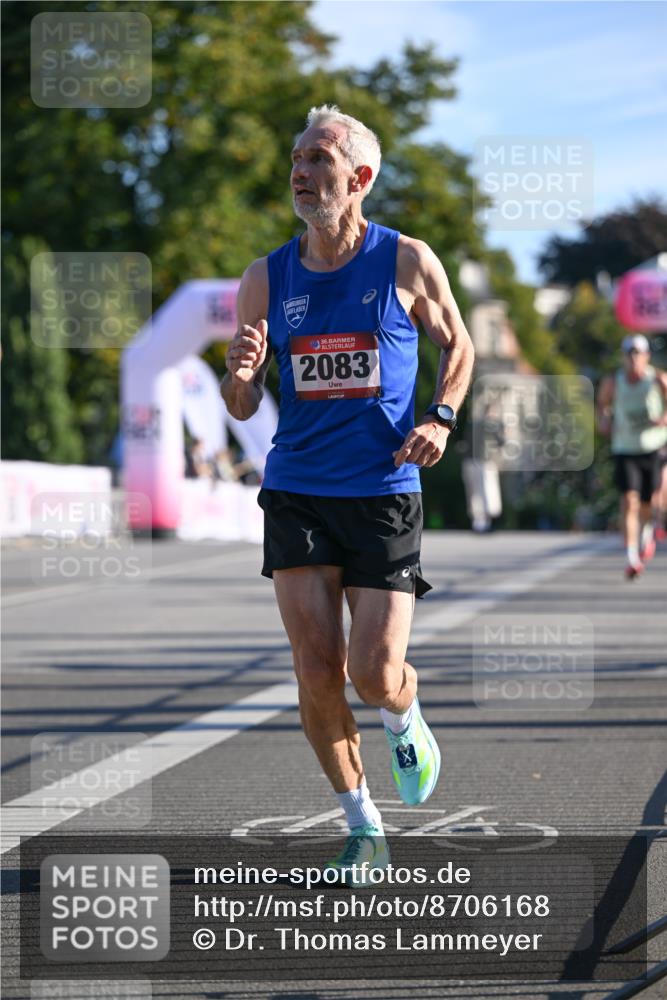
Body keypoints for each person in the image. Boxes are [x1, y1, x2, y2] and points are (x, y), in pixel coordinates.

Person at [220, 105, 475, 883]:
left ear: (358, 179)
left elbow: (457, 344)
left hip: (383, 489)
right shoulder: (266, 276)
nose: (300, 171)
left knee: (372, 669)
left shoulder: (405, 260)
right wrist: (239, 373)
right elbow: (239, 405)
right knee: (315, 667)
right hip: (296, 488)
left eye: (318, 160)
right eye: (296, 158)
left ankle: (402, 710)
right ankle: (362, 825)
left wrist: (440, 415)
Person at [596, 334, 667, 579]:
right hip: (625, 448)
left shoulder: (657, 379)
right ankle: (631, 557)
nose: (634, 358)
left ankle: (647, 533)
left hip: (652, 447)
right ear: (624, 357)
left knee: (649, 504)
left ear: (646, 356)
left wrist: (664, 418)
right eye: (630, 354)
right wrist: (604, 420)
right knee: (629, 501)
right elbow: (602, 405)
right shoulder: (613, 382)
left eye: (638, 353)